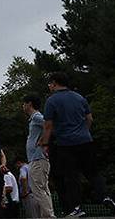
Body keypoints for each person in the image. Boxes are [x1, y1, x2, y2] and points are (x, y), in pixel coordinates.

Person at [38, 72, 115, 216]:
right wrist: (83, 132)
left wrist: (45, 144)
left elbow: (48, 125)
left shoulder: (52, 100)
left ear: (54, 83)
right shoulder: (80, 98)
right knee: (93, 173)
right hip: (85, 140)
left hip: (65, 143)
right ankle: (106, 196)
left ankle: (77, 208)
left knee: (71, 176)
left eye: (50, 83)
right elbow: (90, 119)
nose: (49, 86)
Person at [21, 95, 55, 218]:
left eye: (24, 103)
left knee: (38, 188)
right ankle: (47, 214)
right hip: (36, 158)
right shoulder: (33, 119)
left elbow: (50, 124)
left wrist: (43, 140)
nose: (23, 106)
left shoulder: (36, 117)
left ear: (29, 104)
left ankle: (48, 216)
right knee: (42, 188)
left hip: (38, 157)